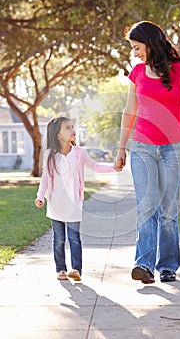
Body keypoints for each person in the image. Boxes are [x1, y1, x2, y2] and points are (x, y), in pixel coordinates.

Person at [115, 21, 180, 284]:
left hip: (173, 147)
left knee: (167, 209)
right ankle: (144, 265)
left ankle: (167, 265)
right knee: (146, 206)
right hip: (142, 147)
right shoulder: (137, 72)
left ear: (150, 43)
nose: (135, 53)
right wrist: (121, 148)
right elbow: (130, 111)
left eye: (137, 47)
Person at [35, 116, 121, 281]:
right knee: (59, 239)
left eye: (72, 126)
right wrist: (40, 196)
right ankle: (60, 269)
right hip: (55, 203)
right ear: (58, 135)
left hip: (74, 202)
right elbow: (45, 178)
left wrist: (113, 168)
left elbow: (95, 166)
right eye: (67, 128)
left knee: (74, 238)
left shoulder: (79, 153)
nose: (72, 130)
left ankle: (76, 269)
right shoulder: (49, 155)